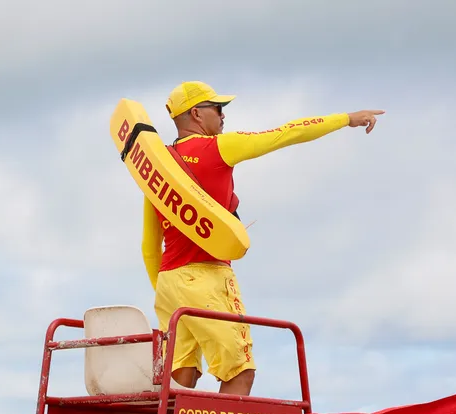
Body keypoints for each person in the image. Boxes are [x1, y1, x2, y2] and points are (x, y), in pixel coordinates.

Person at [142, 80, 383, 396]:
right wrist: (346, 119)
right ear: (197, 114)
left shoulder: (159, 169)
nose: (223, 115)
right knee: (240, 373)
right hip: (208, 278)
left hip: (168, 284)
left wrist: (165, 291)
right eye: (218, 108)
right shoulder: (218, 148)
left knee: (181, 377)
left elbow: (149, 247)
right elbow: (285, 134)